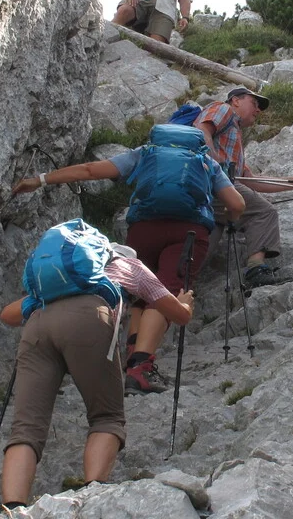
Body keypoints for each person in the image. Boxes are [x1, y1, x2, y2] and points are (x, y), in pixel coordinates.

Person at [12, 130, 245, 395]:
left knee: (138, 291)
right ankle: (140, 368)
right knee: (166, 292)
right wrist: (228, 217)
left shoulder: (144, 153)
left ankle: (132, 358)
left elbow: (89, 170)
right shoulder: (206, 162)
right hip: (189, 233)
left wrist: (39, 180)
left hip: (143, 229)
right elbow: (237, 203)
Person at [0, 244, 194, 510]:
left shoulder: (62, 280)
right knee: (106, 417)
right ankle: (89, 499)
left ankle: (12, 509)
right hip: (90, 319)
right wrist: (185, 304)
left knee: (26, 429)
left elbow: (7, 315)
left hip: (38, 328)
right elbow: (177, 314)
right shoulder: (130, 266)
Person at [193, 87, 293, 288]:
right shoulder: (223, 109)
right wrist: (215, 162)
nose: (258, 110)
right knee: (264, 211)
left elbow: (250, 181)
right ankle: (255, 269)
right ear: (236, 100)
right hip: (211, 181)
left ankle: (175, 283)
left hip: (210, 192)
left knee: (206, 245)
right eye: (254, 103)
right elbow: (200, 129)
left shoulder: (234, 138)